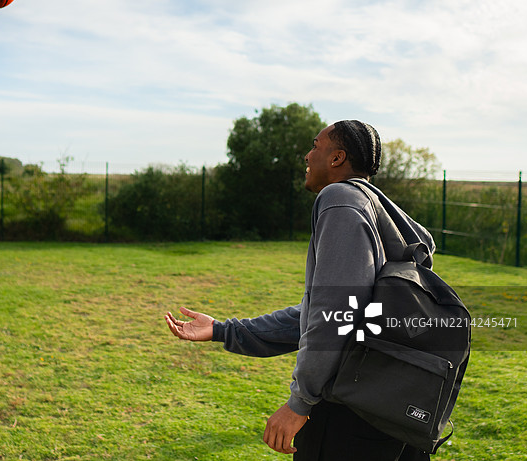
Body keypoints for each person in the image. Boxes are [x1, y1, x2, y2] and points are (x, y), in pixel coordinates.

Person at [165, 121, 434, 461]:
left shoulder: (339, 199)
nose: (307, 156)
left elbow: (336, 316)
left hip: (348, 415)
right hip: (390, 404)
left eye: (315, 146)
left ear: (337, 158)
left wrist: (300, 402)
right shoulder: (374, 208)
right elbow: (328, 314)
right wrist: (223, 330)